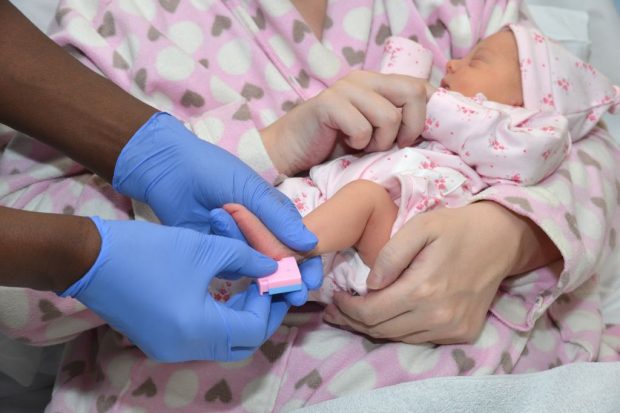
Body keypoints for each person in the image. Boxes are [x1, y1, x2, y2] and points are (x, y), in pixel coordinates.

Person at [0, 1, 618, 411]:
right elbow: (17, 291)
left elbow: (586, 134)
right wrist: (262, 148)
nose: (457, 64)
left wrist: (515, 235)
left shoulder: (468, 10)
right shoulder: (119, 21)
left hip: (514, 372)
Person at [0, 0, 327, 363]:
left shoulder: (396, 15)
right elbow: (14, 306)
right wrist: (79, 255)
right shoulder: (120, 18)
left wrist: (151, 150)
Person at [217, 25, 619, 304]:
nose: (451, 64)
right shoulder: (447, 124)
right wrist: (406, 72)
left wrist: (429, 97)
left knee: (364, 199)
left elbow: (526, 148)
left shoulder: (524, 133)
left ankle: (286, 249)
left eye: (476, 62)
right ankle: (243, 269)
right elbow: (390, 103)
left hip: (401, 239)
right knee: (286, 200)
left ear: (522, 101)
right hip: (341, 220)